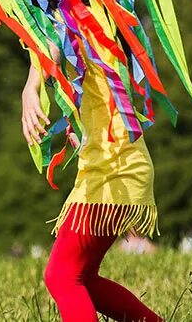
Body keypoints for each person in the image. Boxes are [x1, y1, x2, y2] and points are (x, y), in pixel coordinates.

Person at [23, 48, 164, 321]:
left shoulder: (71, 16)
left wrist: (31, 87)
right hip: (116, 166)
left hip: (113, 171)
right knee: (82, 277)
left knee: (61, 276)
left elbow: (52, 42)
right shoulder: (91, 28)